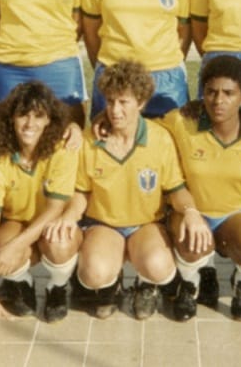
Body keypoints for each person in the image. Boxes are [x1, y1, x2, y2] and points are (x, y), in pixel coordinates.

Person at [50, 60, 209, 320]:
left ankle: (147, 285)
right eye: (110, 101)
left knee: (158, 267)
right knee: (94, 273)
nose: (115, 110)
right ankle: (111, 286)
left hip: (146, 224)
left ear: (141, 103)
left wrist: (191, 211)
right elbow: (82, 192)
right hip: (104, 223)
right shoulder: (91, 140)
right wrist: (69, 216)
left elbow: (176, 189)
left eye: (124, 102)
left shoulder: (160, 138)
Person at [157, 55, 241, 320]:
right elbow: (143, 129)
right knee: (192, 244)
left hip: (233, 214)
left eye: (228, 93)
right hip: (191, 213)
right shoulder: (182, 122)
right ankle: (190, 284)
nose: (218, 101)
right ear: (202, 94)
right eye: (211, 92)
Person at [0, 81, 80, 343]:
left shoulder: (61, 149)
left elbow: (56, 209)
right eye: (23, 114)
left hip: (53, 222)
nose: (29, 123)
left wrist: (16, 246)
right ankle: (22, 284)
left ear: (49, 120)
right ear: (11, 118)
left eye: (38, 116)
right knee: (0, 245)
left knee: (59, 241)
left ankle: (57, 287)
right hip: (18, 222)